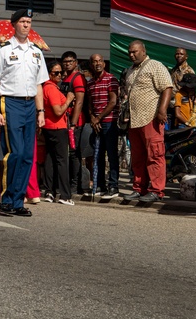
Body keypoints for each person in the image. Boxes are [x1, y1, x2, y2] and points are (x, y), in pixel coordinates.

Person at [0, 9, 48, 216]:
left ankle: (18, 200)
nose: (26, 25)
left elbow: (39, 84)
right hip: (10, 103)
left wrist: (41, 112)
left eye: (29, 21)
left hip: (30, 105)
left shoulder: (36, 51)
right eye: (22, 21)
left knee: (28, 156)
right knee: (16, 152)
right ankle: (7, 197)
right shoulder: (2, 49)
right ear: (14, 24)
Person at [120, 40, 173, 202]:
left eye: (135, 51)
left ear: (143, 51)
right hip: (134, 120)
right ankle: (139, 188)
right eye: (129, 52)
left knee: (155, 155)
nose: (131, 54)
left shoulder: (155, 65)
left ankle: (156, 190)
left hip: (151, 118)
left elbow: (167, 87)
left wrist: (162, 110)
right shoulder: (129, 71)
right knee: (138, 157)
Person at [39, 59, 75, 205]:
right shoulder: (51, 88)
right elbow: (58, 110)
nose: (60, 75)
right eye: (56, 73)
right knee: (61, 161)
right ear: (49, 74)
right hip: (57, 128)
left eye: (61, 72)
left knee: (50, 159)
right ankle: (65, 195)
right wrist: (68, 100)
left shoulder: (46, 87)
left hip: (49, 127)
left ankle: (50, 192)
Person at [86, 53, 119, 199]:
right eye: (94, 61)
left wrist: (99, 118)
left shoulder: (111, 79)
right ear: (91, 64)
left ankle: (113, 186)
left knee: (111, 155)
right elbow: (90, 104)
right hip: (97, 123)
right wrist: (93, 118)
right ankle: (100, 184)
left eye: (100, 61)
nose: (97, 63)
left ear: (104, 64)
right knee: (97, 155)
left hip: (109, 121)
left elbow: (113, 102)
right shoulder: (90, 82)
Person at [59, 51, 88, 196]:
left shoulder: (78, 78)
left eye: (70, 61)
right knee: (67, 153)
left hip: (74, 122)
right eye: (65, 61)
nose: (67, 64)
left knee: (74, 154)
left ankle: (75, 185)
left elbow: (80, 102)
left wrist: (73, 123)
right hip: (64, 120)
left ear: (76, 62)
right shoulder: (65, 78)